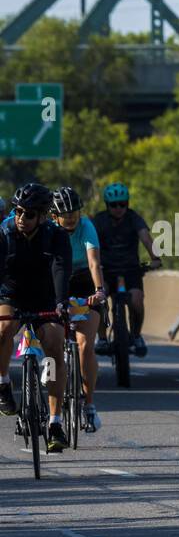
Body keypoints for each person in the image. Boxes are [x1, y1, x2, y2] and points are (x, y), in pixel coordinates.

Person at [0, 184, 72, 452]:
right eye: (18, 211)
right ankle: (3, 383)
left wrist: (62, 302)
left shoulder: (56, 235)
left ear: (43, 216)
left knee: (54, 344)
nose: (21, 218)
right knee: (4, 327)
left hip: (45, 297)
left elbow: (61, 269)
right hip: (12, 293)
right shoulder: (4, 233)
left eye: (28, 214)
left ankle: (55, 423)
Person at [51, 186, 107, 431]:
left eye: (74, 211)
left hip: (84, 282)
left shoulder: (87, 226)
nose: (71, 216)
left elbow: (94, 262)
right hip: (56, 280)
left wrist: (99, 291)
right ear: (54, 216)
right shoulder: (50, 230)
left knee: (85, 346)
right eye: (65, 213)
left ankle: (89, 404)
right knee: (50, 338)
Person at [91, 182, 161, 357]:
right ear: (107, 205)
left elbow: (145, 236)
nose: (118, 208)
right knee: (99, 300)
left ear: (127, 203)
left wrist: (155, 258)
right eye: (114, 205)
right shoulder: (98, 221)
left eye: (122, 204)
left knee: (137, 301)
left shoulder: (134, 218)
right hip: (105, 270)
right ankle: (101, 338)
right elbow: (90, 244)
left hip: (130, 270)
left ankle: (136, 336)